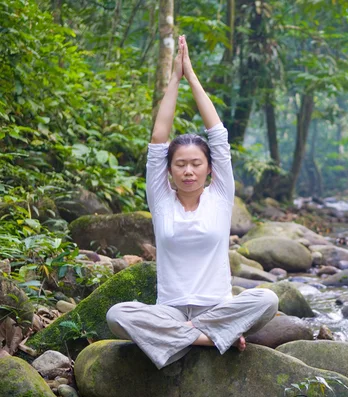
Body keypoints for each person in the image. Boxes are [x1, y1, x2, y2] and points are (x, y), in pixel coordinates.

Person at [106, 35, 279, 370]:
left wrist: (192, 76)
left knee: (268, 299)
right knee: (116, 315)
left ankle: (188, 335)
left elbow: (218, 133)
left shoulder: (220, 196)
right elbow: (159, 139)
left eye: (196, 164)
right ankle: (209, 338)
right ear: (169, 170)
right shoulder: (160, 200)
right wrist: (174, 80)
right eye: (180, 164)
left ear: (209, 168)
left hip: (217, 306)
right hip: (169, 309)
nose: (188, 171)